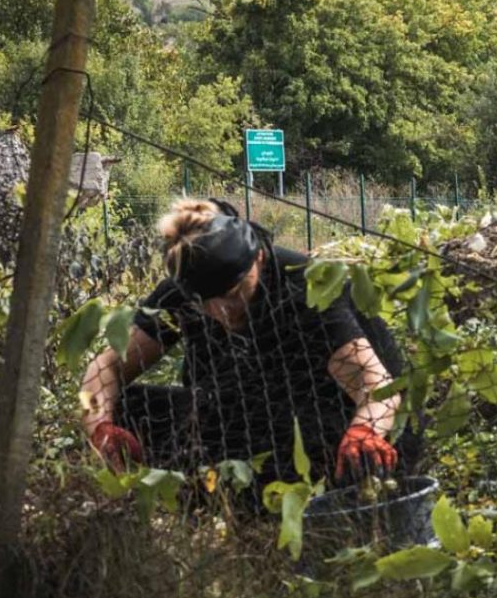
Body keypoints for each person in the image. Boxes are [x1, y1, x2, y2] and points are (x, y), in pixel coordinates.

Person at [78, 198, 415, 485]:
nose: (224, 311)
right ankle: (187, 506)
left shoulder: (306, 289)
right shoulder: (183, 295)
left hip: (331, 421)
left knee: (299, 440)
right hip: (245, 416)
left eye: (234, 294)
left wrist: (363, 434)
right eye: (206, 302)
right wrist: (101, 428)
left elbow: (378, 389)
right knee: (127, 408)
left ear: (259, 259)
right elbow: (105, 367)